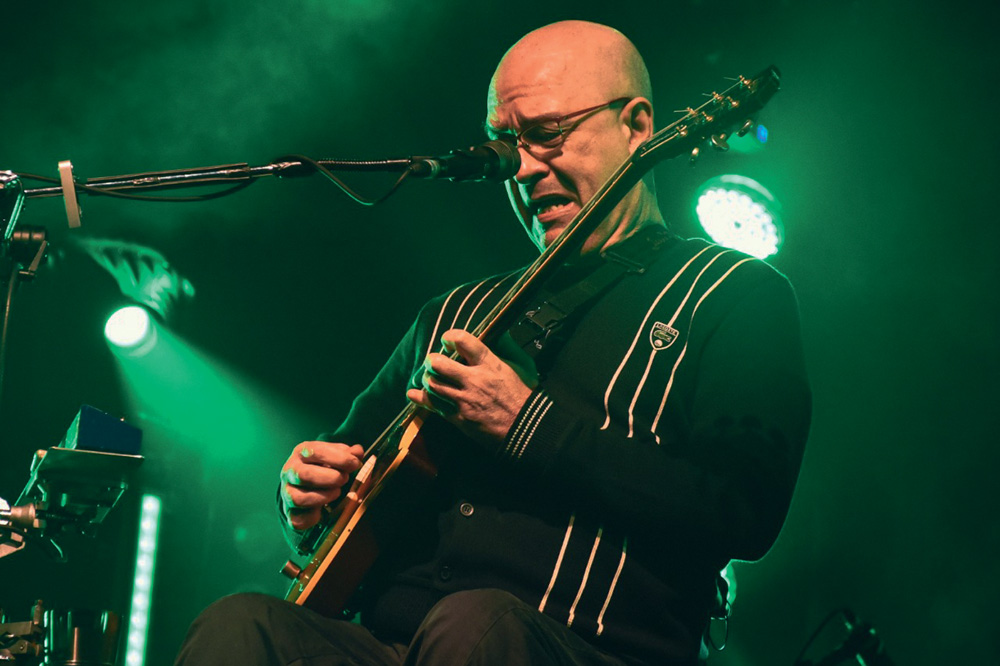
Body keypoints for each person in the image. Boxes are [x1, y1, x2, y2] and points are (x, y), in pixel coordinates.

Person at [175, 19, 810, 666]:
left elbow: (745, 513)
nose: (525, 169)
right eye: (505, 149)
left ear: (637, 125)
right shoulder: (455, 311)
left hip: (587, 651)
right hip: (394, 645)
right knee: (242, 624)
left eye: (546, 135)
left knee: (475, 625)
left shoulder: (733, 293)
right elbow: (345, 475)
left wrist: (527, 423)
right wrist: (303, 499)